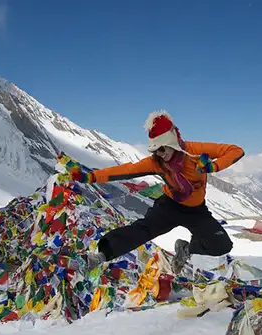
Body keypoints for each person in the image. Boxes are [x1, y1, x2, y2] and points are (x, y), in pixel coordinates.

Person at [69, 110, 245, 274]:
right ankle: (100, 256)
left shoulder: (195, 152)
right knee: (143, 230)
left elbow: (235, 150)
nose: (160, 154)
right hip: (169, 206)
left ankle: (186, 249)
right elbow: (126, 170)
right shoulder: (156, 162)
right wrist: (90, 177)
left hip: (197, 210)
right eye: (155, 150)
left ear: (172, 143)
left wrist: (213, 166)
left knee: (221, 244)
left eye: (162, 149)